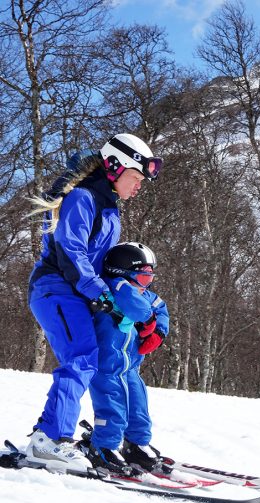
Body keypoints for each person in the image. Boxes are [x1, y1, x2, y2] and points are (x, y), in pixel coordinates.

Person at [26, 135, 163, 472]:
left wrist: (131, 299)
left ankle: (109, 437)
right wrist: (100, 294)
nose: (138, 187)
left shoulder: (108, 205)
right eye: (136, 178)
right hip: (56, 288)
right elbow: (71, 252)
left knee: (104, 360)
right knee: (82, 357)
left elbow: (101, 261)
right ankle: (47, 440)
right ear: (116, 166)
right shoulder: (83, 197)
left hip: (78, 292)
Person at [81, 242, 169, 476]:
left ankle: (137, 444)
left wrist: (159, 331)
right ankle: (104, 447)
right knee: (113, 405)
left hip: (130, 367)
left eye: (150, 278)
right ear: (123, 272)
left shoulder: (142, 294)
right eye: (143, 277)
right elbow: (137, 305)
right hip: (107, 366)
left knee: (138, 406)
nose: (147, 285)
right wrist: (148, 319)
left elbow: (160, 307)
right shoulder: (115, 287)